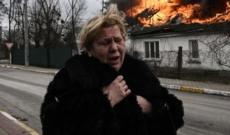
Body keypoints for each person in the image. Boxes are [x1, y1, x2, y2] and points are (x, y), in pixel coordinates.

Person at [40, 5, 184, 135]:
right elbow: (52, 125)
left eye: (118, 40)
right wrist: (106, 100)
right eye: (105, 42)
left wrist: (151, 107)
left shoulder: (139, 71)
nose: (114, 48)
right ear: (89, 49)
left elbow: (174, 110)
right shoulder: (73, 75)